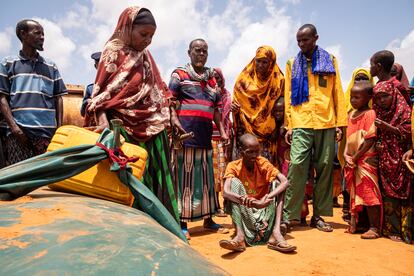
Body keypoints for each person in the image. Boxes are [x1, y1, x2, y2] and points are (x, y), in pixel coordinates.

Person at [84, 7, 181, 223]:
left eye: (152, 36)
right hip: (123, 129)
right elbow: (101, 94)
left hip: (154, 128)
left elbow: (159, 89)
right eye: (143, 34)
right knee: (129, 181)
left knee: (158, 182)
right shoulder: (113, 52)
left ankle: (163, 228)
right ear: (128, 28)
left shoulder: (146, 56)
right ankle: (131, 231)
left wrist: (172, 116)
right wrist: (104, 125)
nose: (147, 41)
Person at [283, 24, 347, 232]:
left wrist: (339, 124)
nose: (302, 44)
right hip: (301, 121)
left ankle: (319, 216)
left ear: (316, 38)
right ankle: (291, 215)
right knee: (297, 166)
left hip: (326, 121)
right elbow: (288, 96)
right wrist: (289, 125)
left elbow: (337, 92)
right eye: (299, 41)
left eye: (306, 40)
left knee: (325, 167)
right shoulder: (292, 63)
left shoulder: (331, 61)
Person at [168, 38, 229, 239]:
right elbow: (170, 102)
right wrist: (175, 121)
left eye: (204, 51)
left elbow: (217, 110)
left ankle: (208, 219)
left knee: (205, 181)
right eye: (197, 50)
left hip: (205, 136)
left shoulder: (212, 79)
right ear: (189, 52)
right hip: (185, 136)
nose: (201, 54)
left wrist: (223, 130)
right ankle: (182, 222)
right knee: (185, 181)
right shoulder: (179, 75)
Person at [0, 19, 66, 166]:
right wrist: (14, 128)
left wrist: (59, 128)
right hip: (19, 134)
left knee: (44, 179)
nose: (42, 37)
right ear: (23, 34)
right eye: (37, 33)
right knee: (20, 179)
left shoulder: (51, 66)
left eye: (43, 34)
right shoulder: (8, 63)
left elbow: (58, 98)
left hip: (47, 134)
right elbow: (2, 98)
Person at [219, 133, 296, 253]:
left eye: (257, 152)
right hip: (246, 211)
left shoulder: (262, 162)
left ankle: (276, 234)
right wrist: (249, 201)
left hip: (264, 211)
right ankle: (239, 237)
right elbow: (226, 192)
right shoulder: (233, 166)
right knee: (233, 183)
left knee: (277, 184)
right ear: (241, 151)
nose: (254, 155)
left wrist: (263, 200)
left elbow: (285, 182)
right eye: (250, 152)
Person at [372, 79, 413, 244]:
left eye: (385, 97)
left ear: (394, 95)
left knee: (406, 193)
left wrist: (387, 127)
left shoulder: (404, 111)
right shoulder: (377, 112)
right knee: (387, 194)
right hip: (385, 160)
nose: (382, 101)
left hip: (403, 158)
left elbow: (409, 132)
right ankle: (391, 230)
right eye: (379, 98)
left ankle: (407, 232)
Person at [232, 46, 284, 164]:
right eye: (258, 61)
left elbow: (284, 106)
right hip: (247, 135)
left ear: (271, 63)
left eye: (264, 62)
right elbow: (237, 106)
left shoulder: (279, 80)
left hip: (269, 138)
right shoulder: (243, 81)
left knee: (267, 173)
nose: (260, 65)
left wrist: (277, 128)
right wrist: (234, 110)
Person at [343, 82, 382, 239]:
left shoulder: (370, 114)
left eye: (357, 97)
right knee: (356, 191)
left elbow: (369, 139)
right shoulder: (351, 114)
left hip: (365, 159)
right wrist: (346, 154)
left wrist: (355, 156)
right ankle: (361, 223)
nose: (353, 100)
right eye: (352, 97)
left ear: (368, 98)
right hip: (353, 159)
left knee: (368, 191)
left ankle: (374, 227)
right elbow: (348, 138)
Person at [211, 68, 232, 217]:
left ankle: (226, 204)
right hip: (208, 137)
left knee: (224, 174)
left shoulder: (226, 95)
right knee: (213, 174)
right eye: (213, 78)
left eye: (218, 77)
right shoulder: (206, 93)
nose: (216, 80)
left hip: (223, 138)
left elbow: (226, 117)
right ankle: (216, 205)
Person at [80, 52, 101, 117]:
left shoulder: (116, 84)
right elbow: (82, 113)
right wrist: (87, 102)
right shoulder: (90, 88)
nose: (102, 67)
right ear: (95, 66)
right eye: (99, 65)